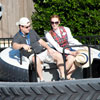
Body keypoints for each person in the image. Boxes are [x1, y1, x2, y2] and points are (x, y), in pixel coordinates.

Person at [12, 17, 65, 82]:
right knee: (36, 59)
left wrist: (48, 48)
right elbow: (14, 46)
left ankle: (63, 77)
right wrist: (22, 45)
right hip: (32, 54)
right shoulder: (17, 36)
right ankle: (42, 80)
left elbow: (40, 41)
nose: (29, 28)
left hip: (42, 51)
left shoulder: (32, 32)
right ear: (21, 27)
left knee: (58, 55)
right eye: (27, 27)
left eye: (29, 26)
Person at [45, 15, 82, 80]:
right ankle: (63, 75)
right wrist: (70, 52)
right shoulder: (48, 34)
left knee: (76, 58)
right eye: (52, 23)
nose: (54, 24)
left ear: (59, 22)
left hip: (67, 48)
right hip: (58, 51)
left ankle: (66, 75)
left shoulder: (66, 29)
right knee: (71, 57)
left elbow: (71, 40)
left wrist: (81, 45)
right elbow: (57, 47)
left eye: (56, 22)